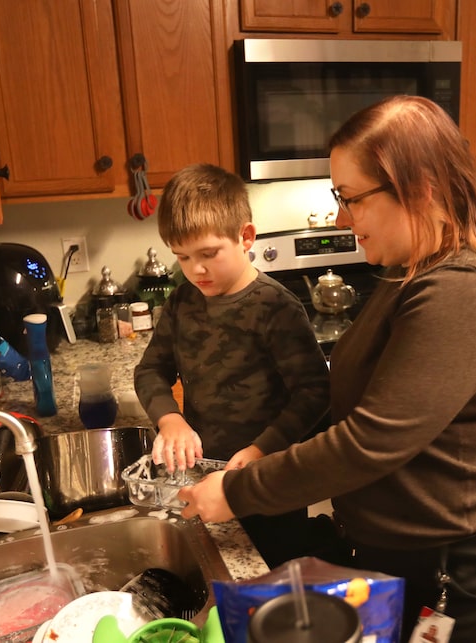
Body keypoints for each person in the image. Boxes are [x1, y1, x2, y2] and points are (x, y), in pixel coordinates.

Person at [177, 96, 476, 643]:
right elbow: (351, 398)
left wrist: (239, 491)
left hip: (469, 560)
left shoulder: (464, 291)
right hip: (411, 546)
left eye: (351, 198)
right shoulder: (410, 272)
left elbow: (371, 441)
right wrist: (269, 446)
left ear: (420, 189)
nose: (340, 217)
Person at [133, 163, 331, 568]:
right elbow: (150, 370)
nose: (195, 269)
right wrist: (170, 420)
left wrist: (262, 449)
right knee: (220, 568)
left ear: (246, 237)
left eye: (208, 254)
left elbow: (315, 392)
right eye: (183, 257)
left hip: (269, 481)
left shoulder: (275, 308)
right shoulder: (182, 303)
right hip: (204, 476)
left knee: (274, 575)